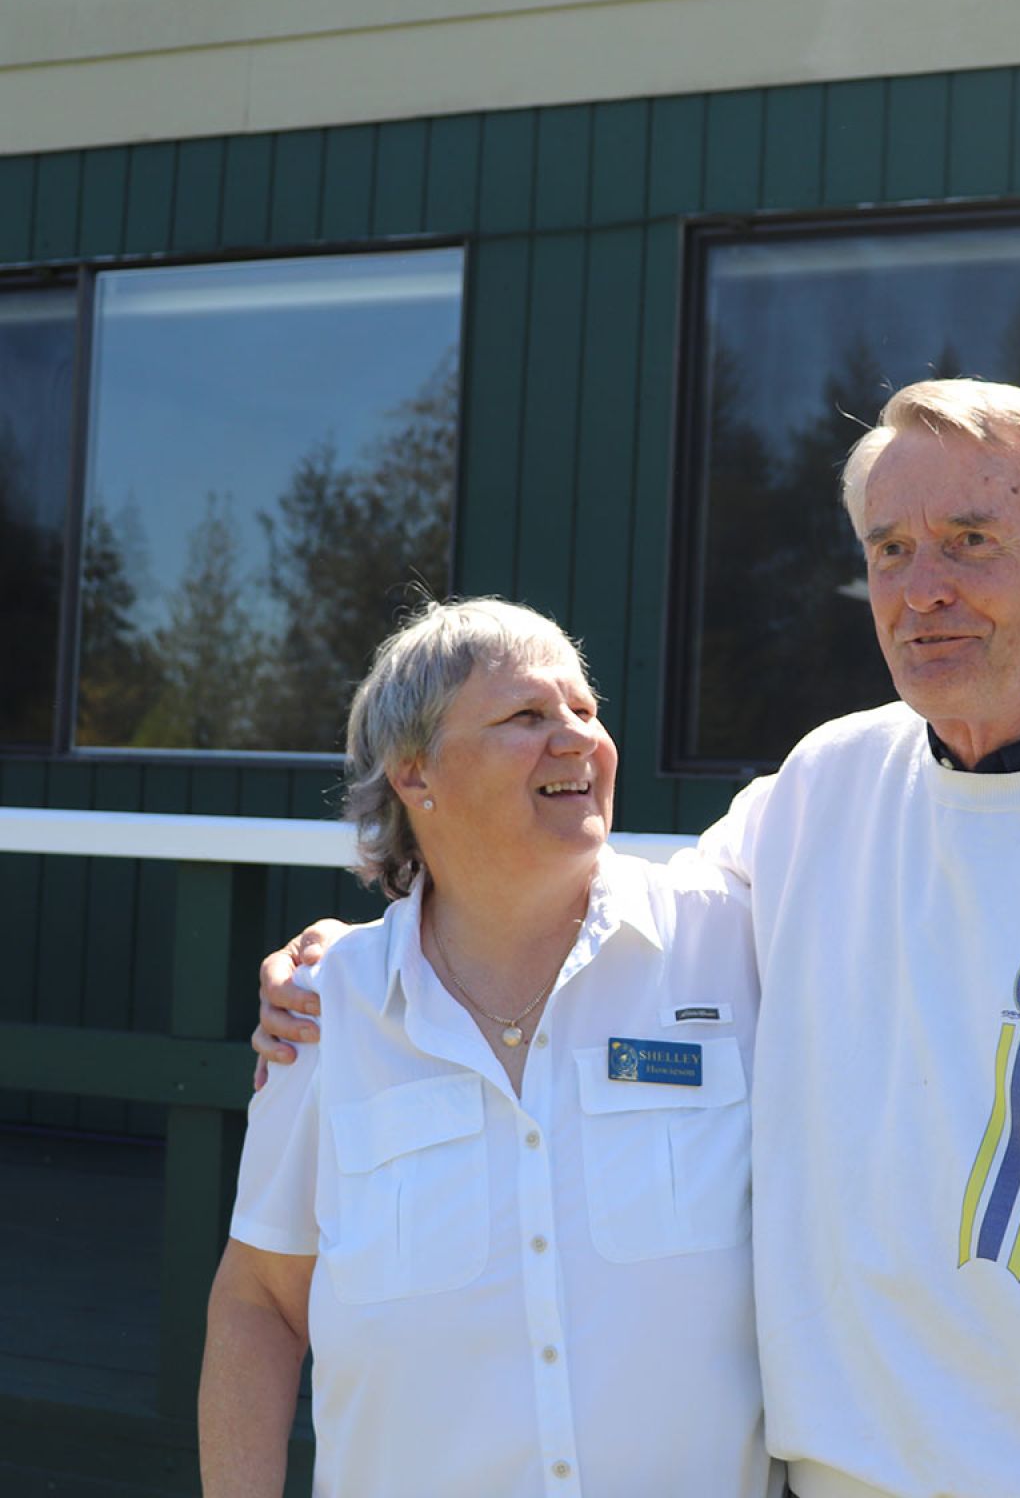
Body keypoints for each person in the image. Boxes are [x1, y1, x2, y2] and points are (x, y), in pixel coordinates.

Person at [259, 381, 1020, 1495]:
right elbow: (578, 913)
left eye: (970, 539)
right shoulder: (822, 788)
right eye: (888, 549)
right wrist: (367, 950)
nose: (920, 587)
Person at [203, 598, 779, 1498]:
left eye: (585, 712)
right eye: (525, 717)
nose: (576, 738)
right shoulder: (328, 1010)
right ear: (414, 773)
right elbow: (262, 1303)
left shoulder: (733, 945)